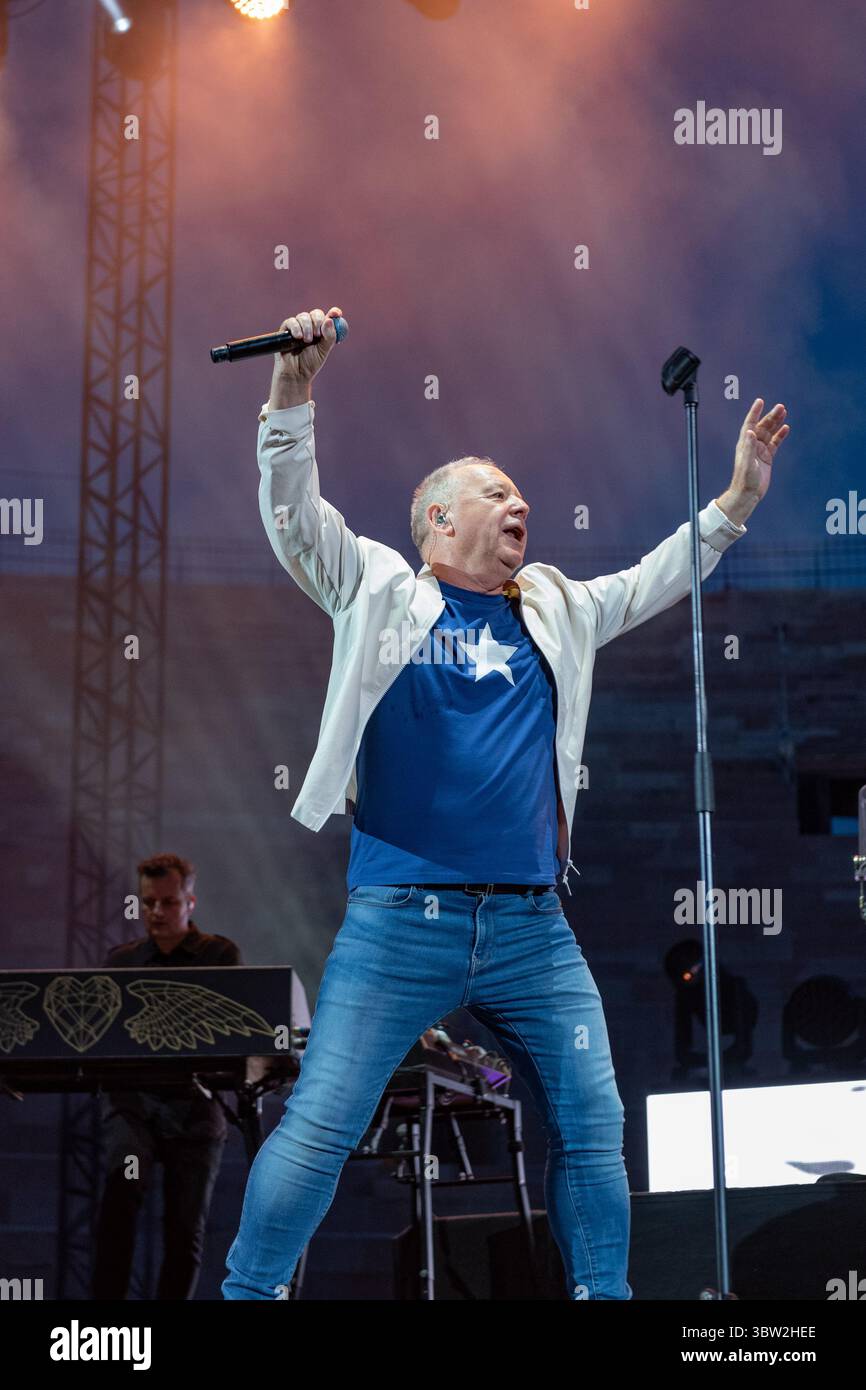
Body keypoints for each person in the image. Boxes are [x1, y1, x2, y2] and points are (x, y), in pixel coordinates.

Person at [222, 306, 790, 1300]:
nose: (518, 500)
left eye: (520, 491)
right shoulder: (377, 587)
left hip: (533, 926)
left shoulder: (557, 606)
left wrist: (734, 501)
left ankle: (602, 1297)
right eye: (494, 491)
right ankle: (247, 1294)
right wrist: (291, 392)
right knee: (321, 1122)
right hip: (402, 920)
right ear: (438, 518)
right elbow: (292, 515)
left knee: (590, 1117)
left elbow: (657, 578)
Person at [92, 852, 242, 1300]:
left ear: (189, 903)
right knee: (121, 1200)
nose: (155, 913)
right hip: (133, 1104)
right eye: (147, 903)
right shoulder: (120, 961)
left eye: (167, 903)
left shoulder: (220, 954)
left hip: (196, 1106)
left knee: (184, 1228)